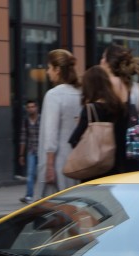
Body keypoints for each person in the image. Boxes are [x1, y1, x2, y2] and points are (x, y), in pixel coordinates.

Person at [68, 66, 129, 181]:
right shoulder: (120, 108)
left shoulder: (90, 110)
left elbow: (74, 140)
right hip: (116, 168)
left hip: (93, 169)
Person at [39, 48, 82, 193]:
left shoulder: (53, 95)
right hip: (79, 160)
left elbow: (50, 133)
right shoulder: (81, 93)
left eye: (49, 68)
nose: (47, 72)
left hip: (58, 161)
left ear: (57, 69)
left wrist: (49, 166)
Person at [101, 43, 139, 173]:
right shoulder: (137, 87)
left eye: (103, 57)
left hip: (113, 147)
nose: (101, 60)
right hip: (132, 148)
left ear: (109, 62)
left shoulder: (108, 84)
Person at [18, 100, 40, 202]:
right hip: (31, 150)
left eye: (33, 107)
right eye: (29, 107)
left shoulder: (41, 119)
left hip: (42, 151)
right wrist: (21, 155)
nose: (31, 109)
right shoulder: (26, 121)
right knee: (30, 173)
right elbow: (23, 138)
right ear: (27, 109)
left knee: (41, 174)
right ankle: (29, 196)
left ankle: (41, 196)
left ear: (36, 108)